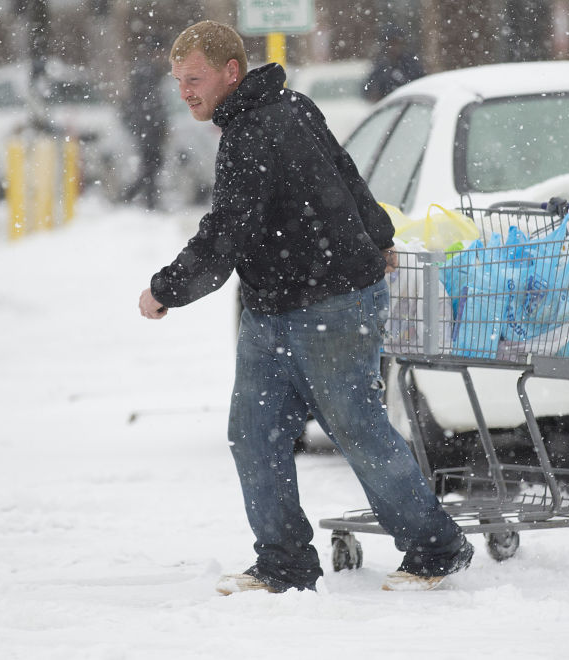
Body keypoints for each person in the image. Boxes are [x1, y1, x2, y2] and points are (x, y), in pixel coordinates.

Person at [138, 20, 473, 594]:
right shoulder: (284, 108)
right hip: (273, 306)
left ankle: (436, 547)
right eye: (178, 81)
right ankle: (285, 561)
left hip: (332, 301)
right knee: (254, 431)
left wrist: (167, 289)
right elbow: (344, 172)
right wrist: (379, 234)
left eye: (194, 79)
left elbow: (228, 233)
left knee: (356, 428)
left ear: (230, 72)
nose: (186, 90)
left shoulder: (259, 127)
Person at [121, 32, 169, 210]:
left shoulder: (147, 70)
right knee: (151, 163)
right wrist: (156, 123)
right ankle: (144, 199)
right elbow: (147, 103)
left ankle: (136, 196)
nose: (163, 55)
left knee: (151, 164)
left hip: (147, 125)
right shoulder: (146, 71)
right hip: (148, 126)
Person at [363, 26, 425, 102]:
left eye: (397, 43)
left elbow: (421, 86)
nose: (393, 47)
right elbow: (368, 90)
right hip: (387, 108)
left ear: (403, 44)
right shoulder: (381, 65)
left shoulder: (411, 64)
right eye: (390, 43)